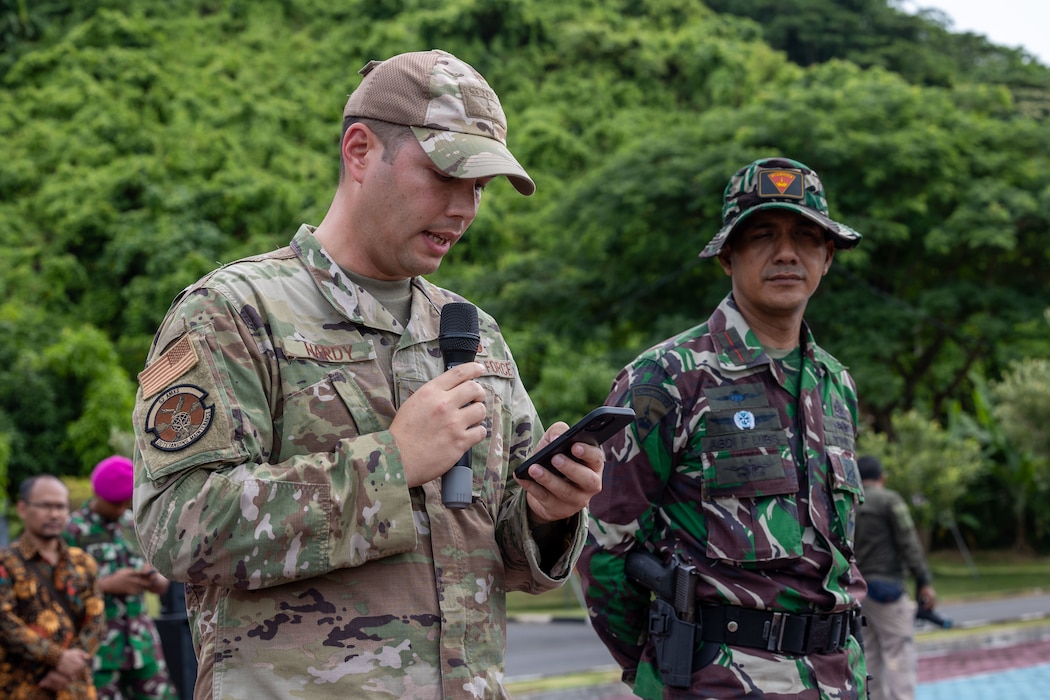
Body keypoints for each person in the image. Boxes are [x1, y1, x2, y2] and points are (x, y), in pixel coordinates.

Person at [130, 49, 604, 699]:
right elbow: (174, 526)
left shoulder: (472, 332)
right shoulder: (233, 313)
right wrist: (390, 465)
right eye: (447, 175)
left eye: (480, 187)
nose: (464, 209)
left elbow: (500, 552)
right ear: (360, 151)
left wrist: (551, 513)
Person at [579, 157, 868, 699]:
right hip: (720, 683)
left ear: (827, 257)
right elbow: (602, 546)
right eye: (762, 235)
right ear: (727, 257)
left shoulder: (836, 384)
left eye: (807, 237)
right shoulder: (668, 377)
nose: (787, 253)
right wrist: (666, 660)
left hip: (839, 680)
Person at [62, 456, 178, 700]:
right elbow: (56, 589)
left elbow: (161, 574)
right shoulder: (71, 531)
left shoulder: (133, 525)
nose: (122, 509)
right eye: (116, 504)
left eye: (126, 503)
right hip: (98, 650)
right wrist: (104, 585)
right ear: (99, 495)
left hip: (142, 644)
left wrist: (156, 580)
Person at [0, 475, 106, 699]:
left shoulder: (82, 562)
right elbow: (5, 622)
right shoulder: (6, 563)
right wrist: (57, 658)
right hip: (24, 686)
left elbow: (96, 621)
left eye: (61, 507)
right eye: (46, 506)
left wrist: (67, 669)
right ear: (22, 508)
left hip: (76, 688)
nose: (54, 514)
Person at [855, 455, 936, 700]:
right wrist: (924, 581)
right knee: (898, 655)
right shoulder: (889, 500)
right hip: (887, 590)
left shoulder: (849, 501)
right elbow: (909, 543)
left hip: (857, 590)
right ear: (883, 478)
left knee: (869, 656)